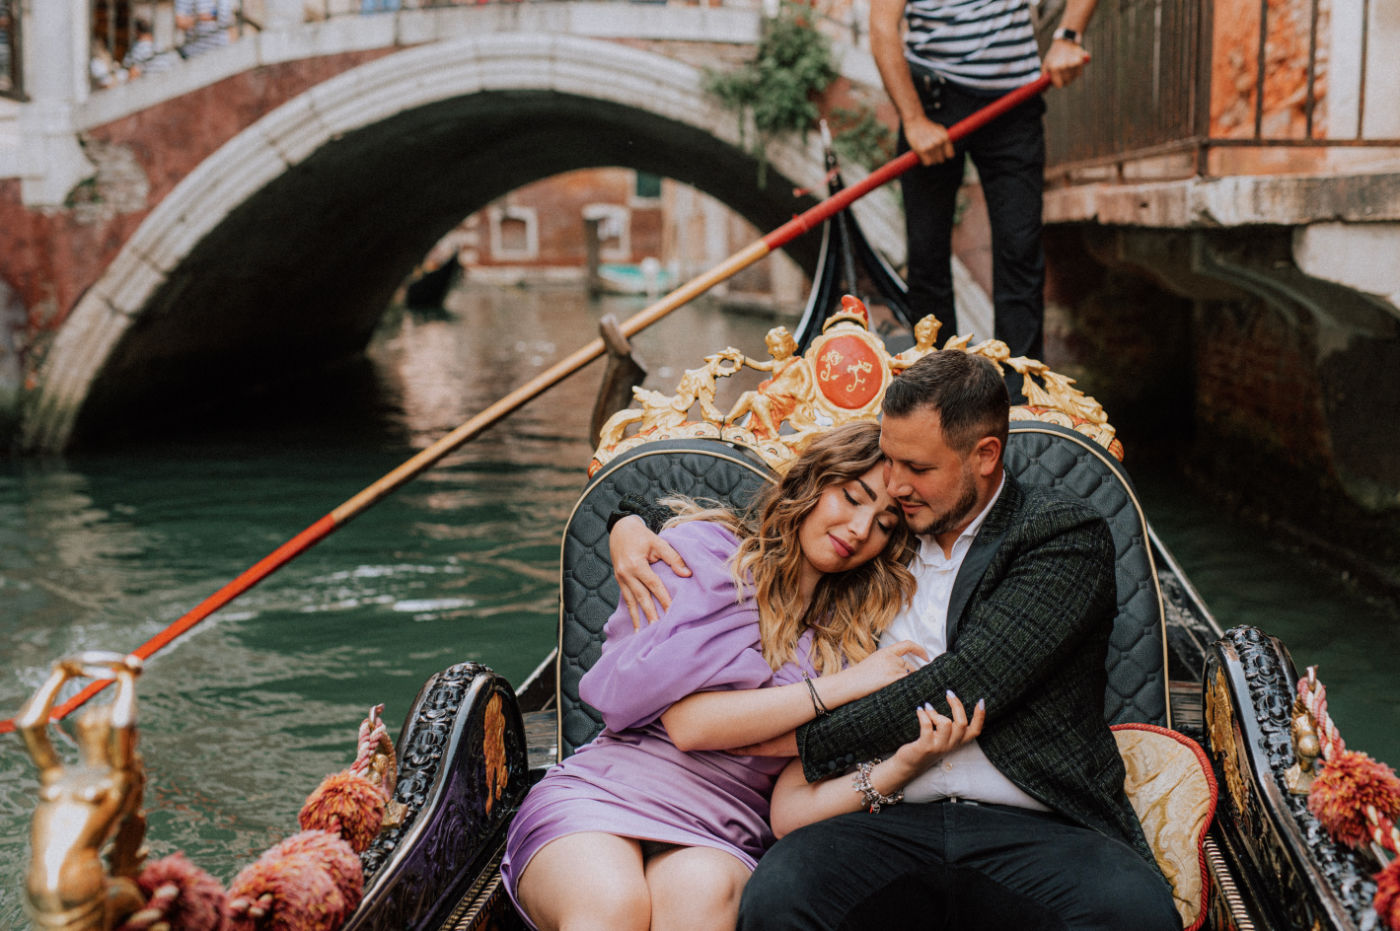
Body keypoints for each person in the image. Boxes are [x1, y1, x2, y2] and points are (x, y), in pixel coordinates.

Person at [610, 351, 1180, 930]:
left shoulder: (1059, 535)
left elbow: (968, 684)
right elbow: (775, 523)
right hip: (879, 816)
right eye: (890, 460)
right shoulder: (888, 535)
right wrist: (630, 522)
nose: (897, 486)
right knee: (781, 899)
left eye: (919, 468)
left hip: (1037, 824)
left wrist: (779, 739)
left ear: (984, 456)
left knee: (1135, 915)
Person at [503, 421, 987, 931]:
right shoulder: (706, 555)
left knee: (697, 903)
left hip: (722, 828)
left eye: (886, 523)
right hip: (606, 791)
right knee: (611, 909)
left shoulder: (860, 642)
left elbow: (794, 796)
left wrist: (902, 759)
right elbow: (692, 727)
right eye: (850, 497)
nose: (859, 529)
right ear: (812, 484)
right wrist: (842, 688)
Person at [871, 0, 1097, 373]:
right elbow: (882, 27)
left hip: (1015, 101)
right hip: (932, 102)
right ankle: (939, 385)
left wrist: (1068, 37)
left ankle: (1020, 390)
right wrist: (913, 120)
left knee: (1020, 249)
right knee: (927, 255)